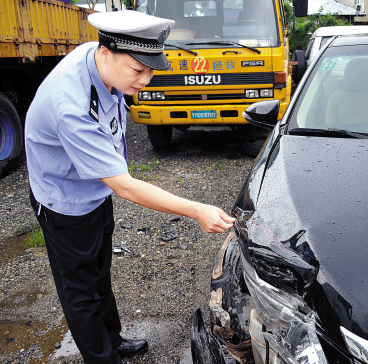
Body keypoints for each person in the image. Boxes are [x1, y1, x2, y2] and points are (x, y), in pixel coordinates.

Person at [24, 10, 235, 364]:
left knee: (100, 275)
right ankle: (101, 358)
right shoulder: (71, 106)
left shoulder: (99, 57)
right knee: (81, 292)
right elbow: (126, 187)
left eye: (151, 69)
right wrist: (197, 209)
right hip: (65, 204)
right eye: (138, 70)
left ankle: (113, 340)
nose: (146, 80)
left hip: (93, 191)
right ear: (106, 54)